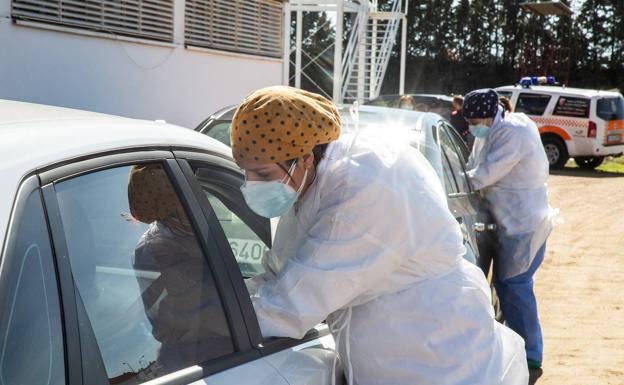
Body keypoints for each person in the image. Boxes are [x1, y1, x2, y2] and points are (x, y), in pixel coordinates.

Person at [230, 85, 529, 385]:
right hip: (390, 357)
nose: (250, 185)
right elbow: (279, 272)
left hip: (438, 357)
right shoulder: (312, 183)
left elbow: (292, 306)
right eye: (246, 173)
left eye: (263, 175)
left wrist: (215, 323)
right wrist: (227, 300)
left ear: (305, 157)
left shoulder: (366, 183)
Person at [462, 89, 557, 370]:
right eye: (469, 121)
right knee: (507, 285)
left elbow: (483, 174)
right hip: (510, 221)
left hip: (524, 223)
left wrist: (450, 181)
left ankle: (530, 353)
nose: (472, 127)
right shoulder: (493, 130)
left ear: (491, 115)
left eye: (476, 120)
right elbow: (473, 165)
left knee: (515, 286)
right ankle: (517, 345)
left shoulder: (511, 133)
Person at [128, 164, 233, 373]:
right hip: (196, 363)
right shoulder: (157, 253)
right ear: (173, 212)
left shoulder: (183, 236)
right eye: (191, 201)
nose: (206, 209)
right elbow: (213, 316)